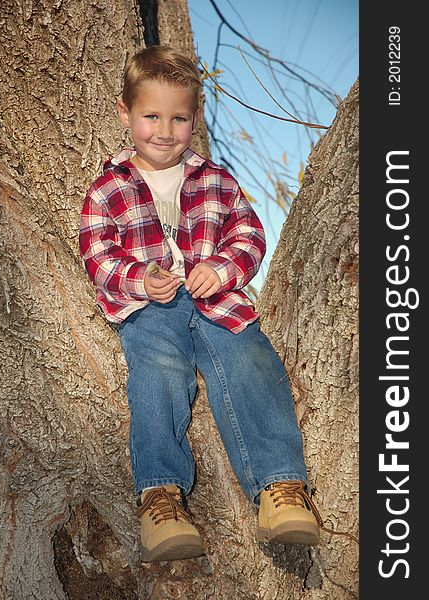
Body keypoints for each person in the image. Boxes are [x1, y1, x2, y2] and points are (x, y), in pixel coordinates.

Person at [79, 45, 321, 563]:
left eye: (179, 118)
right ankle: (161, 498)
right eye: (151, 116)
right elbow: (96, 251)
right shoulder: (108, 187)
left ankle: (281, 490)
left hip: (217, 300)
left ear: (195, 119)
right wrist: (140, 278)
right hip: (151, 307)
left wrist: (224, 268)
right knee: (159, 372)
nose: (164, 131)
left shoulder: (216, 179)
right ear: (125, 114)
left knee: (251, 361)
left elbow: (250, 234)